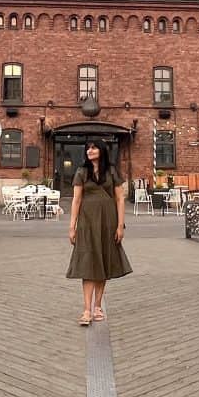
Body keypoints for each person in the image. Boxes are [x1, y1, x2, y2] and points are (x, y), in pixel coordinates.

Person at [66, 139, 133, 325]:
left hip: (108, 222)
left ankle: (97, 306)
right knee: (88, 262)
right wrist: (72, 226)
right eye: (88, 148)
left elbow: (120, 199)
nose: (90, 150)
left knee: (103, 261)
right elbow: (76, 200)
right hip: (87, 222)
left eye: (94, 147)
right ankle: (86, 310)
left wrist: (120, 225)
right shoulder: (82, 172)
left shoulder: (111, 171)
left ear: (102, 150)